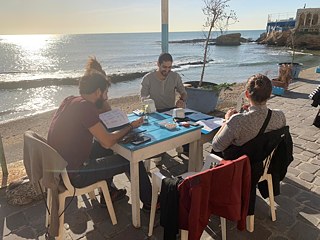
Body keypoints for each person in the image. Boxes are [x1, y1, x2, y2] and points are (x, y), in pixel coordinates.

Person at [47, 57, 153, 210]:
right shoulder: (85, 108)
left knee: (101, 147)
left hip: (61, 168)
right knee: (129, 159)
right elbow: (107, 141)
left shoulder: (70, 100)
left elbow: (101, 139)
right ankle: (151, 202)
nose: (107, 97)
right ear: (98, 92)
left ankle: (108, 193)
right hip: (75, 175)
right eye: (106, 92)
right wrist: (130, 126)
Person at [212, 73, 286, 153]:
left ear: (247, 94)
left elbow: (217, 147)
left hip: (239, 162)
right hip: (260, 159)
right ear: (269, 94)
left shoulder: (237, 121)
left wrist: (227, 120)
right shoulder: (280, 116)